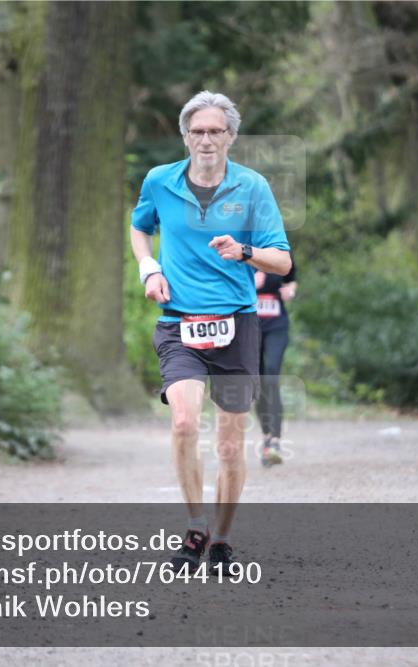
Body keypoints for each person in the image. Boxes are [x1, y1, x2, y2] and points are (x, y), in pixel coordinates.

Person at [129, 91, 292, 572]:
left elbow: (281, 259)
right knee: (183, 422)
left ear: (230, 137)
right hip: (178, 322)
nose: (205, 139)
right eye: (197, 131)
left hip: (237, 324)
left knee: (228, 439)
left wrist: (243, 252)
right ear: (184, 136)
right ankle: (196, 526)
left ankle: (222, 539)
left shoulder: (252, 187)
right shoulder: (160, 181)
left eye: (215, 131)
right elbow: (140, 228)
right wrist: (148, 269)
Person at [254, 259, 297, 467]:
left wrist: (290, 290)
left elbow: (291, 280)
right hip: (250, 328)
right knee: (259, 383)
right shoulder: (238, 250)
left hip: (276, 327)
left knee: (271, 375)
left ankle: (276, 440)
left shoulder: (279, 251)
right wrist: (249, 285)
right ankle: (266, 436)